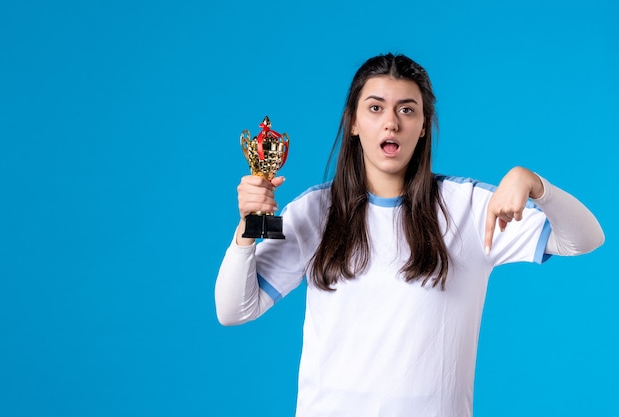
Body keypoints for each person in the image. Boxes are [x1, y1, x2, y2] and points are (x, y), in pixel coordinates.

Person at [214, 53, 604, 417]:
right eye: (375, 108)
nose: (392, 122)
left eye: (407, 110)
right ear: (353, 122)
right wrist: (248, 227)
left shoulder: (467, 208)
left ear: (423, 126)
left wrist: (534, 183)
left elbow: (585, 239)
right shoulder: (313, 212)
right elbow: (234, 310)